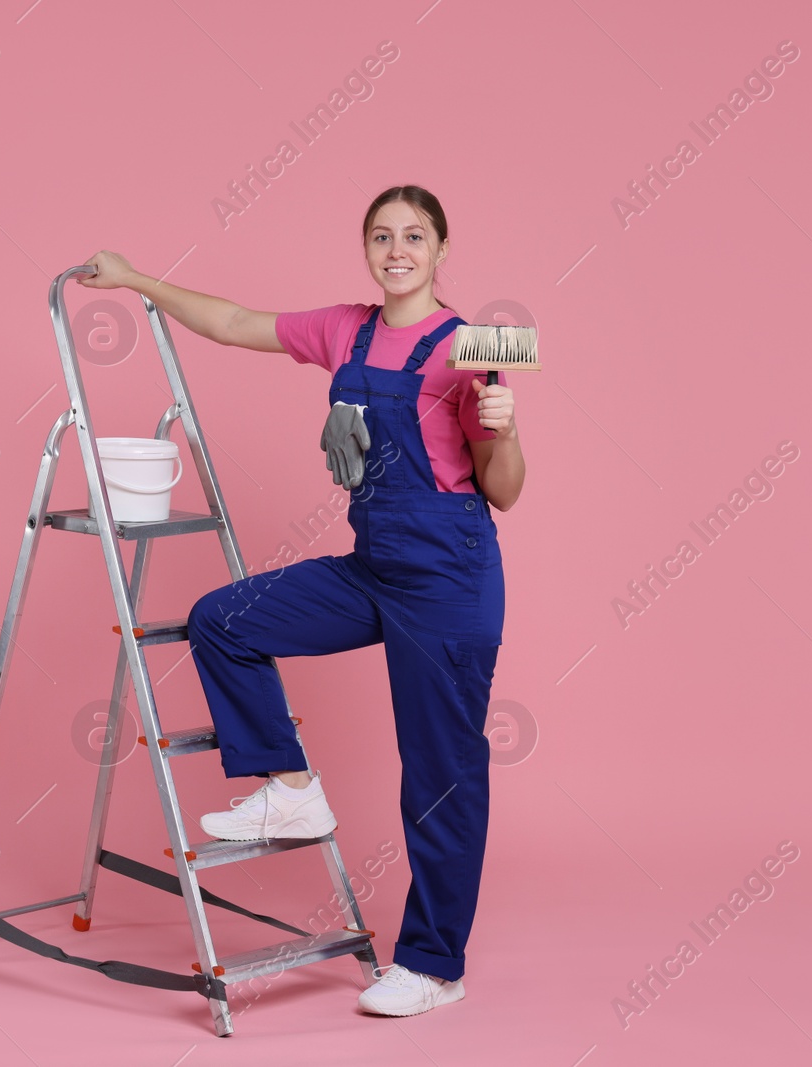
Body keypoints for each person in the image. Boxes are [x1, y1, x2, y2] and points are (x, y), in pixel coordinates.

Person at [76, 184, 525, 1018]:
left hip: (450, 578)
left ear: (442, 249)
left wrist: (504, 426)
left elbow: (505, 491)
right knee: (222, 620)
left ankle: (433, 964)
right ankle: (290, 785)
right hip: (376, 568)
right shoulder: (344, 330)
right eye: (383, 236)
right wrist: (140, 279)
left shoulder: (467, 348)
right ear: (366, 248)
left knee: (441, 774)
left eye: (415, 237)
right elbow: (236, 321)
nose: (398, 251)